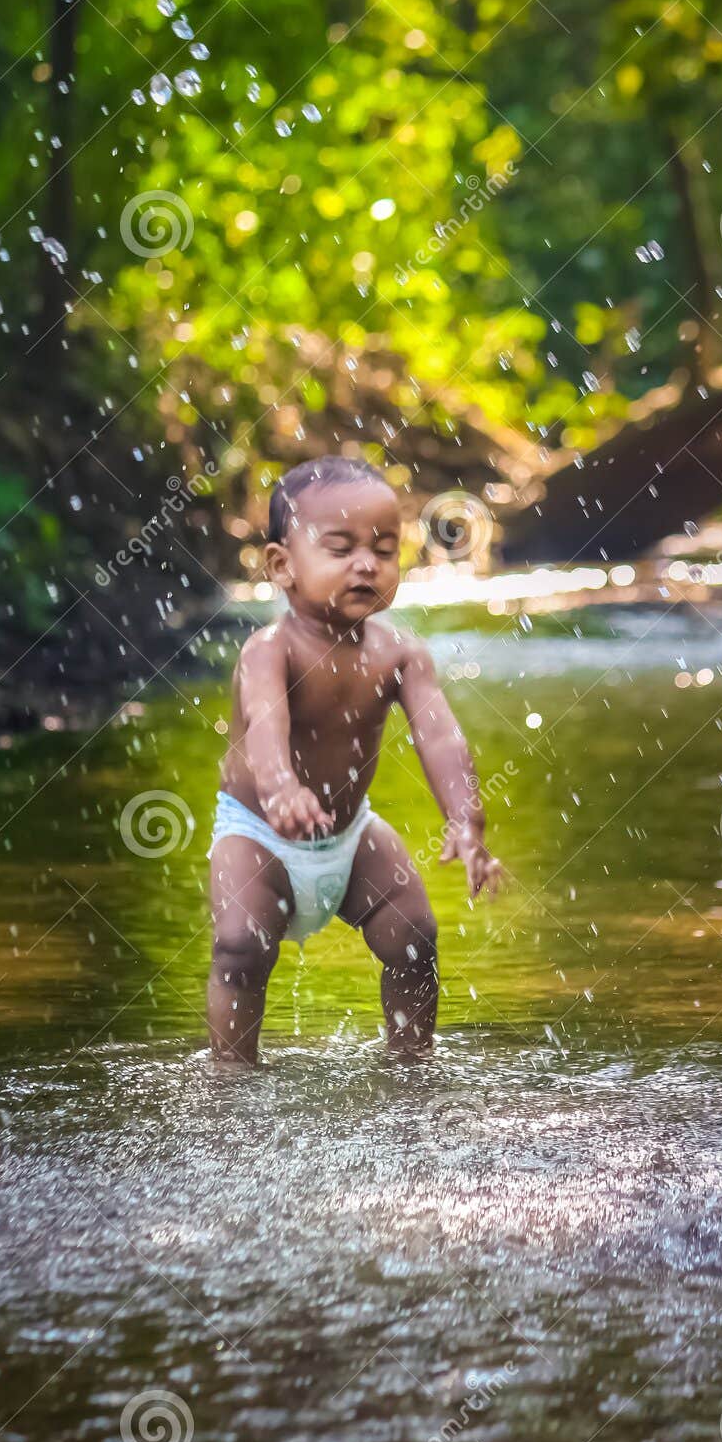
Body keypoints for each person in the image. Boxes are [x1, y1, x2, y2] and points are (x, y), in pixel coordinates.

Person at [207, 456, 501, 1064]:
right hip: (259, 832)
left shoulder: (400, 652)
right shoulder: (270, 650)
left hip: (350, 834)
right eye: (340, 549)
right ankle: (231, 1083)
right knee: (239, 949)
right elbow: (266, 724)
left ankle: (411, 1065)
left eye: (384, 549)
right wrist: (282, 787)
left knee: (416, 937)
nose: (366, 563)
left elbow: (440, 737)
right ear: (282, 566)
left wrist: (466, 820)